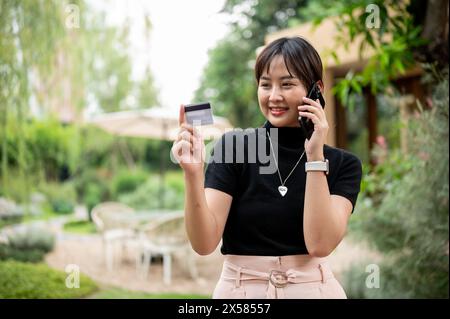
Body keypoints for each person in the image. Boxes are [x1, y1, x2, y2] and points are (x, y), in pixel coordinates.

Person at [171, 36, 362, 299]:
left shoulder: (344, 164)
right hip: (240, 294)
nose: (274, 96)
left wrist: (315, 155)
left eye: (287, 84)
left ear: (316, 89)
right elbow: (203, 244)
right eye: (265, 85)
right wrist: (192, 176)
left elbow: (320, 244)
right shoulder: (233, 147)